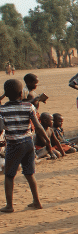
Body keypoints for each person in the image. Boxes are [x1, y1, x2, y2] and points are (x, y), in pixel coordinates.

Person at [0, 79, 54, 212]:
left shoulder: (2, 109)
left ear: (6, 94)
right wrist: (47, 140)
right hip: (28, 143)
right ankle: (36, 201)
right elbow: (38, 126)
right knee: (29, 174)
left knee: (9, 175)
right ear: (21, 94)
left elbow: (1, 128)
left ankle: (10, 205)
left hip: (14, 144)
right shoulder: (28, 106)